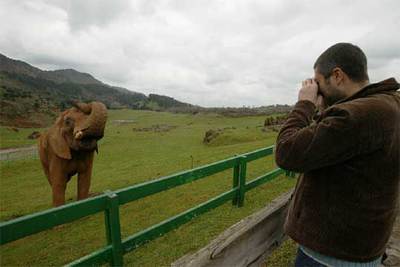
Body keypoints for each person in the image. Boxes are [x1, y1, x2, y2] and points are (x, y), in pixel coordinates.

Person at [275, 43, 400, 267]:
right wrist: (324, 109)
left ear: (338, 75)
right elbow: (336, 147)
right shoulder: (389, 104)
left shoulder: (357, 115)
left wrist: (304, 103)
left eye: (319, 82)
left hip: (332, 255)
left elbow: (287, 152)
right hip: (363, 246)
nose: (317, 88)